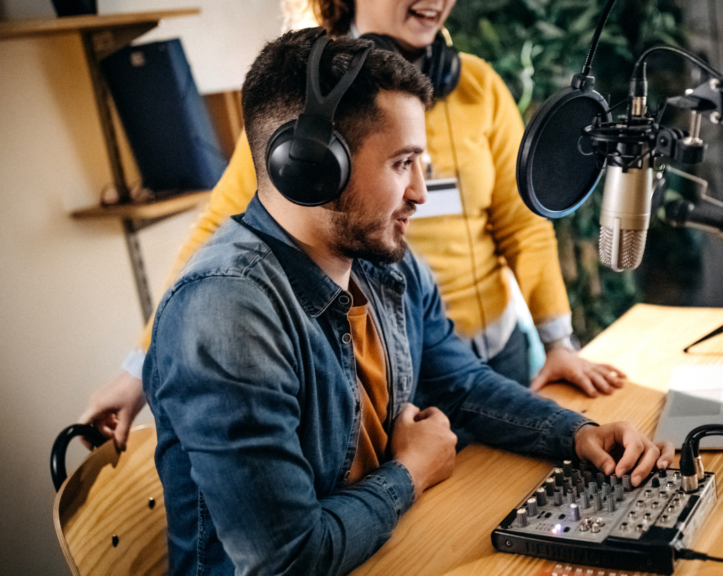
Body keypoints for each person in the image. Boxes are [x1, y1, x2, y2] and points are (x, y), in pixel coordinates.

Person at [145, 29, 670, 575]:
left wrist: (577, 432)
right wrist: (411, 470)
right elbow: (289, 560)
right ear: (313, 166)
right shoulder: (227, 314)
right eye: (402, 163)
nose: (421, 191)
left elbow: (462, 385)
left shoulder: (378, 261)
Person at [80, 0, 626, 452]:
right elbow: (214, 238)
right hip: (389, 358)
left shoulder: (479, 87)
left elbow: (523, 225)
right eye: (399, 164)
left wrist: (559, 342)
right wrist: (139, 370)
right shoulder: (306, 117)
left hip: (473, 350)